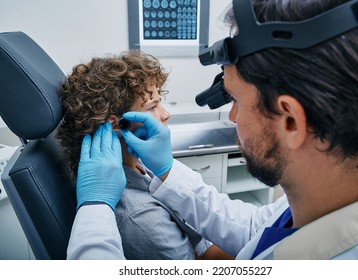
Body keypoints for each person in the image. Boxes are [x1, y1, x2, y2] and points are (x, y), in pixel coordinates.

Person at [67, 0, 358, 260]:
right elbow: (253, 229)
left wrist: (94, 210)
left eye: (234, 99)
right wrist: (167, 172)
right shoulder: (322, 202)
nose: (232, 117)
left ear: (291, 120)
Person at [59, 50, 232, 260]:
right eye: (153, 107)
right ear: (116, 124)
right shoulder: (140, 218)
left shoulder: (139, 161)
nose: (166, 114)